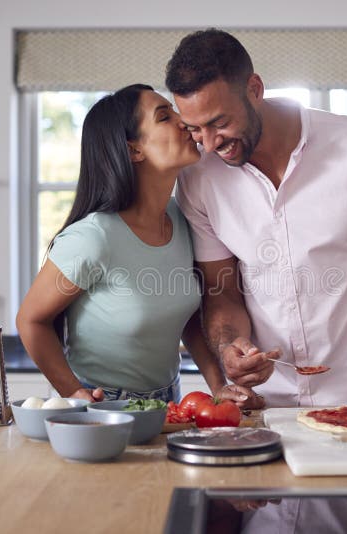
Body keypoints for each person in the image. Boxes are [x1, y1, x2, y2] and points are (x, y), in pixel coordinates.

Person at [165, 29, 347, 407]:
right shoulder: (197, 177)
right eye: (194, 129)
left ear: (254, 88)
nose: (208, 143)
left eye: (219, 122)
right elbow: (221, 289)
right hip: (266, 403)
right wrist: (229, 347)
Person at [16, 84, 259, 407]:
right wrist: (74, 394)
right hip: (101, 407)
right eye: (164, 116)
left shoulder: (183, 218)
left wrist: (218, 385)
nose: (184, 122)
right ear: (134, 150)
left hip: (167, 402)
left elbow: (184, 314)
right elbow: (30, 320)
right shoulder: (93, 237)